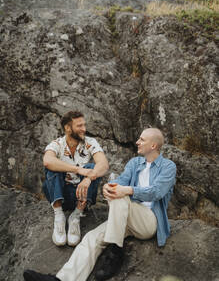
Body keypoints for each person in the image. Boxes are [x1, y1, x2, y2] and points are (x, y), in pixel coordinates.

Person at [23, 128, 176, 281]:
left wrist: (126, 190)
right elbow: (121, 181)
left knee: (120, 196)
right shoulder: (135, 163)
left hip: (148, 222)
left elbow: (156, 192)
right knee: (91, 238)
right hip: (124, 217)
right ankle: (62, 279)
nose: (137, 142)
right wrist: (110, 187)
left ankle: (115, 250)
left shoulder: (168, 167)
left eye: (142, 139)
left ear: (153, 146)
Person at [42, 111, 109, 247]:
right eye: (79, 126)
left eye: (84, 125)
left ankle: (76, 216)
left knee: (93, 167)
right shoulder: (57, 144)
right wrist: (78, 169)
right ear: (68, 127)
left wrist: (88, 178)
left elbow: (103, 164)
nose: (84, 129)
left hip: (81, 195)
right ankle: (59, 216)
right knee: (53, 167)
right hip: (59, 194)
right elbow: (48, 161)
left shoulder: (90, 142)